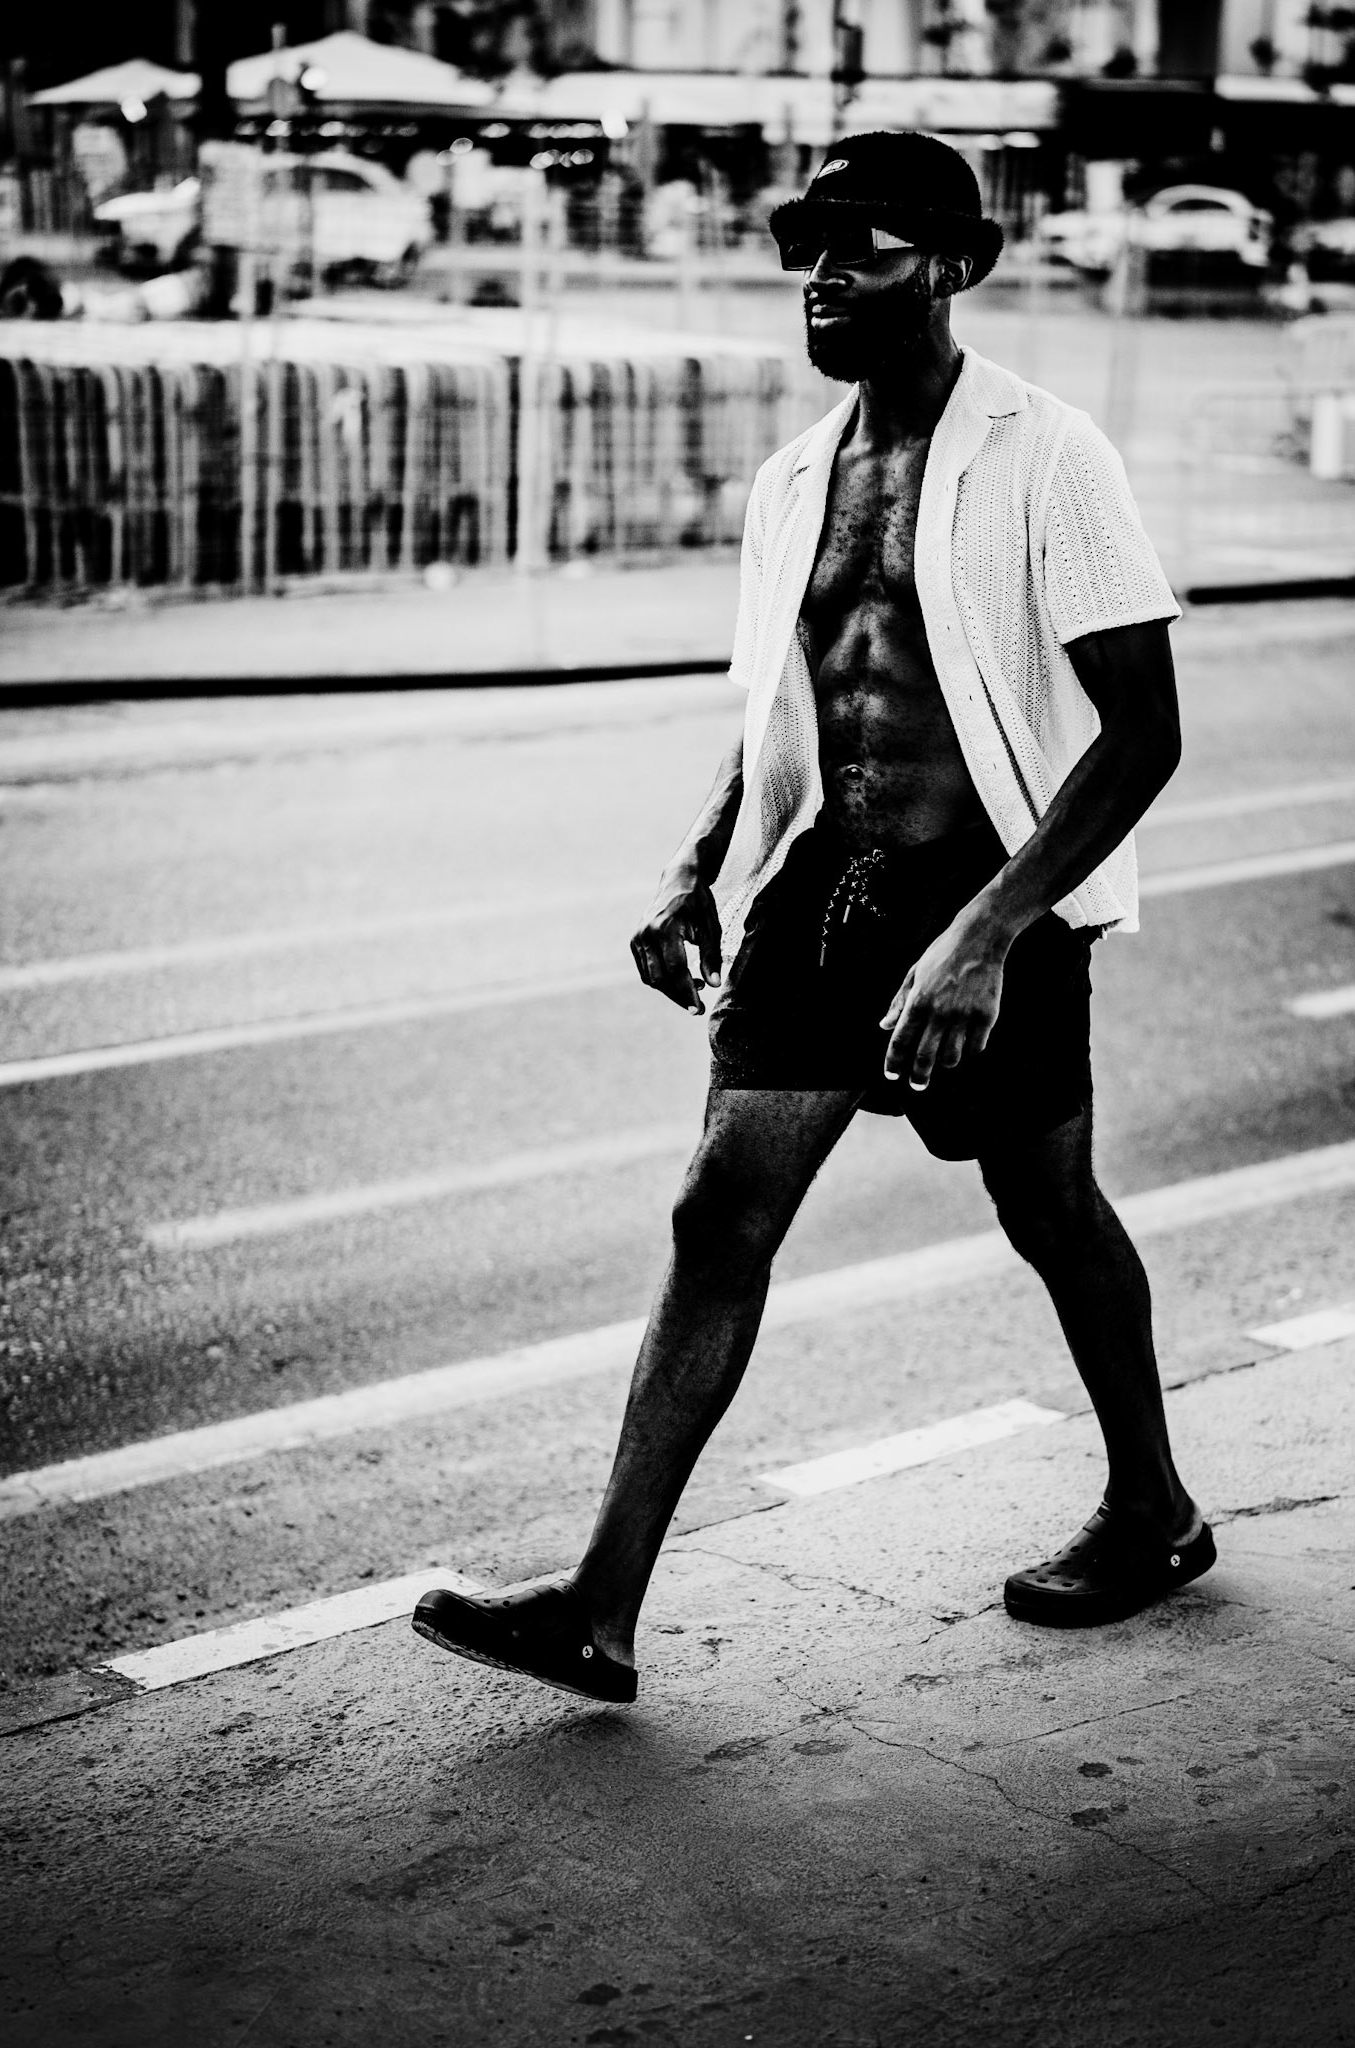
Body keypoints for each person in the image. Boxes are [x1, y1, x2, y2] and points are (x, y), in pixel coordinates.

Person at [414, 131, 1213, 1706]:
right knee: (719, 1213)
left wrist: (988, 933)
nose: (826, 271)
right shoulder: (795, 477)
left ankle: (1154, 1504)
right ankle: (599, 1608)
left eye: (868, 243)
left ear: (958, 266)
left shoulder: (1050, 455)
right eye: (811, 241)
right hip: (824, 893)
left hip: (995, 900)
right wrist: (700, 860)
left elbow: (1143, 734)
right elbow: (780, 707)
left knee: (1050, 1215)